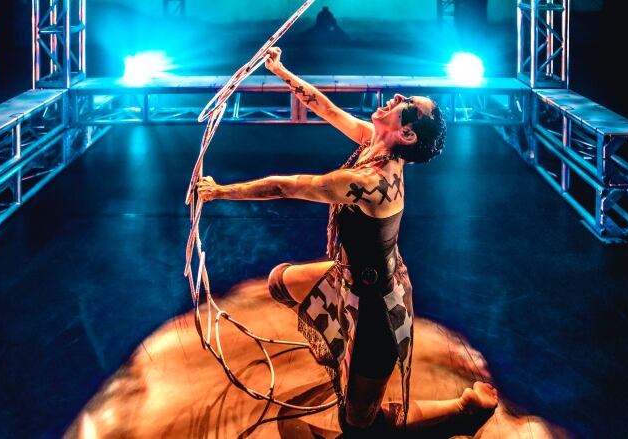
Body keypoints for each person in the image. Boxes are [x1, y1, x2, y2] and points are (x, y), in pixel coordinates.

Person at [197, 47, 498, 434]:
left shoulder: (373, 183)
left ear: (406, 133)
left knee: (358, 425)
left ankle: (465, 411)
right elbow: (324, 107)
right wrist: (279, 69)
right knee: (280, 283)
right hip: (347, 278)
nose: (395, 98)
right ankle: (345, 361)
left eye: (404, 104)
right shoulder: (375, 140)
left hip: (377, 310)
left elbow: (287, 187)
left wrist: (220, 191)